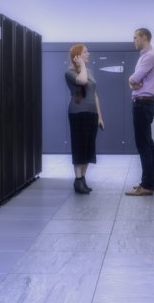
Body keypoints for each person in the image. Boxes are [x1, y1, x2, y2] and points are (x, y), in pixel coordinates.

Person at [65, 43, 104, 194]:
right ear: (77, 56)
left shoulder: (90, 71)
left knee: (89, 146)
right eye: (85, 52)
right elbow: (82, 81)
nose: (88, 54)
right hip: (77, 113)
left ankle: (83, 179)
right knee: (79, 145)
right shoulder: (70, 72)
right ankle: (77, 180)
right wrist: (80, 65)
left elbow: (94, 94)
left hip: (91, 113)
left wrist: (100, 116)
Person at [125, 28, 154, 196]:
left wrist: (131, 81)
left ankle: (147, 185)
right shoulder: (145, 57)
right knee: (148, 143)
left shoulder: (149, 57)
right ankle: (152, 182)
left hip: (142, 103)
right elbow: (133, 81)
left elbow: (133, 79)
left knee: (143, 144)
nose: (133, 40)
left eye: (135, 37)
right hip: (144, 103)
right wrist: (133, 82)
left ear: (144, 37)